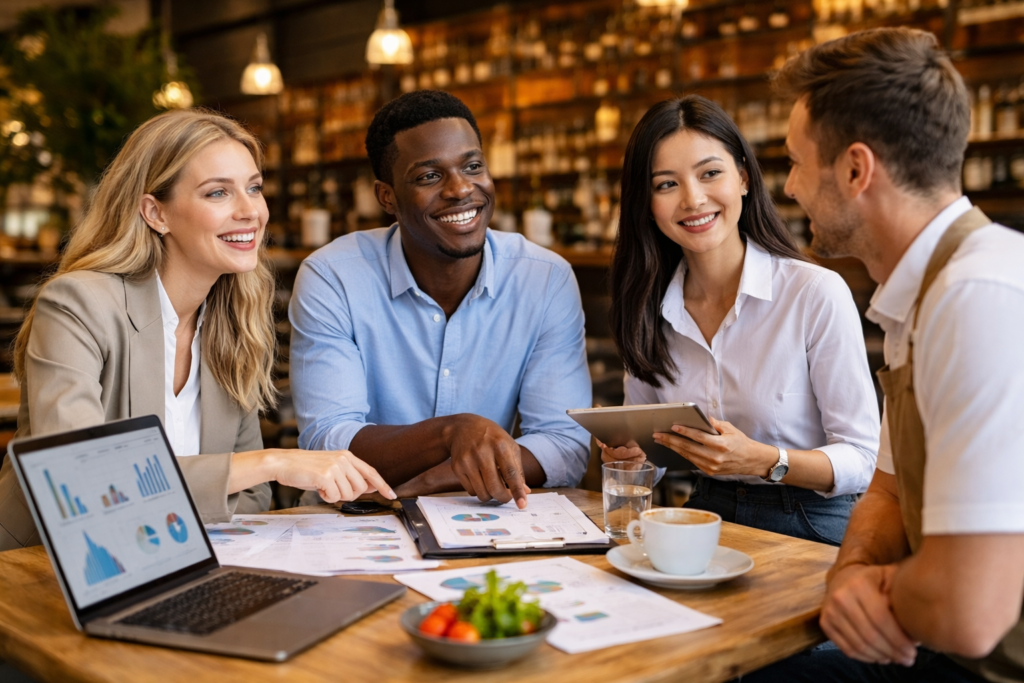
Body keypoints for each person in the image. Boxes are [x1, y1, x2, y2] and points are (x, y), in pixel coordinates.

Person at [746, 27, 1024, 683]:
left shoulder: (975, 296)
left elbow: (971, 609)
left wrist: (865, 597)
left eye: (795, 161)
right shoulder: (922, 291)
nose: (788, 188)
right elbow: (891, 489)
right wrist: (848, 577)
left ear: (854, 169)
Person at [0, 108, 393, 551]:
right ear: (155, 213)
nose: (251, 212)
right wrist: (272, 461)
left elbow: (251, 499)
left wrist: (253, 472)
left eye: (254, 188)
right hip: (42, 570)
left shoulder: (233, 323)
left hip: (175, 560)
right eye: (217, 193)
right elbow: (79, 476)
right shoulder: (78, 304)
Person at [288, 90, 592, 509]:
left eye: (472, 166)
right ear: (387, 197)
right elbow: (327, 439)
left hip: (481, 515)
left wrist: (442, 478)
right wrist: (452, 432)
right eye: (429, 176)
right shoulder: (333, 275)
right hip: (353, 518)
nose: (461, 188)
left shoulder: (544, 278)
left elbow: (565, 444)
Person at [601, 95, 879, 545]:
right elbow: (656, 461)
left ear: (744, 178)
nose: (693, 199)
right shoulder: (645, 307)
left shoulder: (813, 293)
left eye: (710, 173)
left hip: (810, 519)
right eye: (666, 184)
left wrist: (767, 460)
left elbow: (864, 457)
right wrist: (635, 458)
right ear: (646, 203)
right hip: (707, 510)